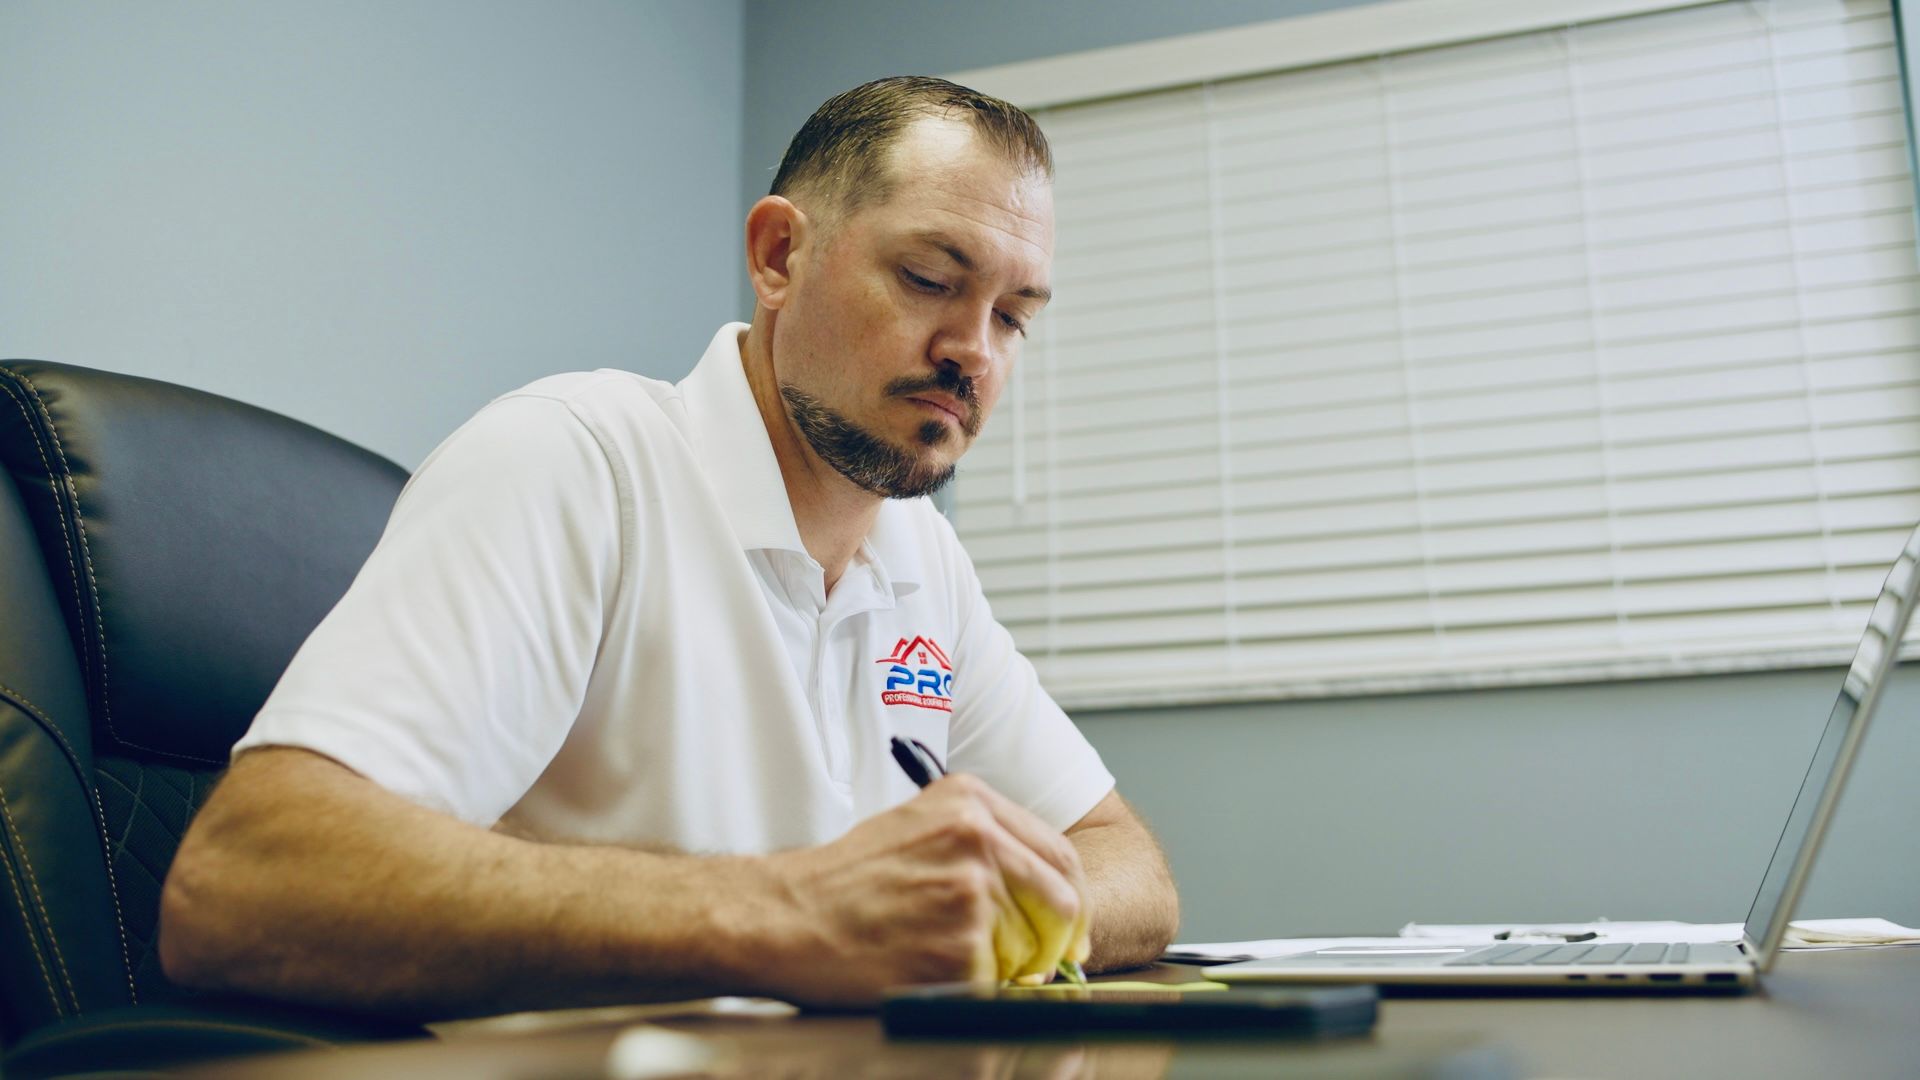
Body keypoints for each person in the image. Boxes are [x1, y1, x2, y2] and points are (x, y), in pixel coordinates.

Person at [159, 76, 1180, 1019]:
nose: (974, 351)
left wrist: (974, 915)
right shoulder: (574, 461)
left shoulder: (922, 558)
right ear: (780, 255)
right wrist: (788, 911)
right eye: (927, 278)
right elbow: (242, 880)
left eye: (1013, 316)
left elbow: (1127, 864)